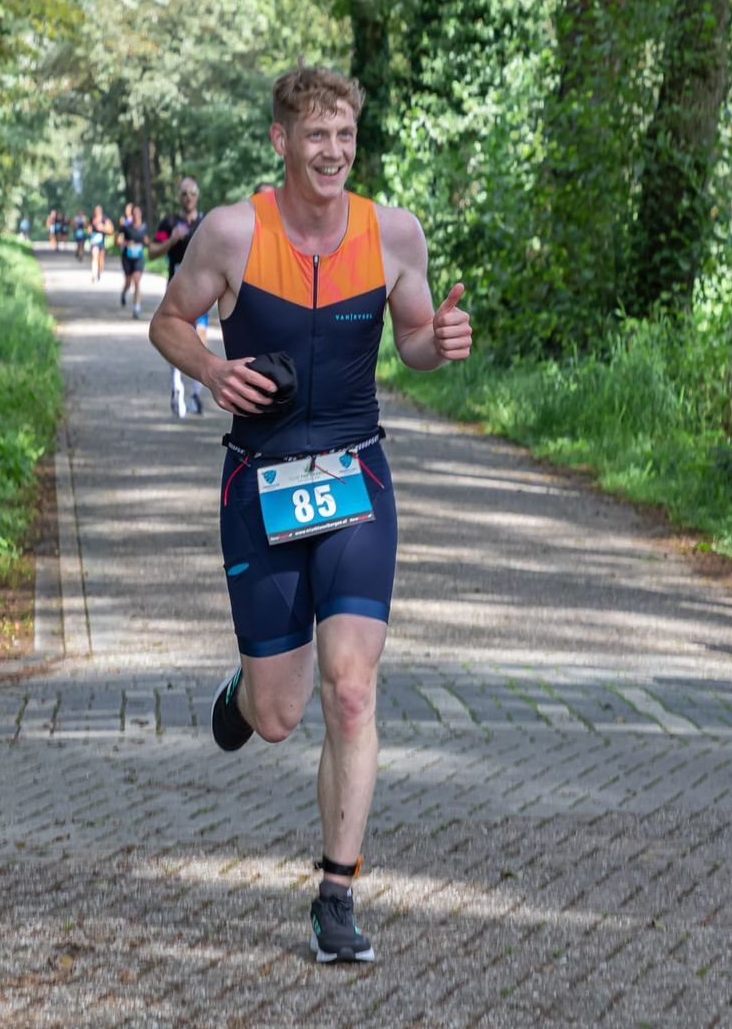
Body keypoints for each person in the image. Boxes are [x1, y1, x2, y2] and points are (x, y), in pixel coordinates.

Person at [149, 65, 472, 963]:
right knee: (283, 711)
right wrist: (212, 370)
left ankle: (337, 890)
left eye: (345, 136)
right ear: (281, 142)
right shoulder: (230, 231)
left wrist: (438, 345)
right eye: (315, 135)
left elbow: (411, 341)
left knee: (353, 687)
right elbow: (169, 322)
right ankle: (243, 696)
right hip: (261, 477)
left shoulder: (392, 232)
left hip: (356, 472)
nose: (332, 152)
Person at [156, 179, 209, 416]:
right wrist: (172, 239)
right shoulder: (169, 222)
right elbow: (152, 251)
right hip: (176, 287)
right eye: (184, 193)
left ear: (198, 195)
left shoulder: (206, 222)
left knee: (201, 337)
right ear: (179, 197)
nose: (189, 196)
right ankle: (176, 385)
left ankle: (196, 392)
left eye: (193, 192)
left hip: (203, 288)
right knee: (177, 338)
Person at [118, 203, 150, 317]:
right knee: (128, 283)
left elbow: (147, 240)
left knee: (137, 281)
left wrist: (148, 243)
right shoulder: (126, 227)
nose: (136, 215)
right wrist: (126, 243)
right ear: (132, 215)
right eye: (134, 213)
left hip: (138, 258)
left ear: (140, 214)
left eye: (138, 213)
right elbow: (118, 241)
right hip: (127, 258)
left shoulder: (144, 227)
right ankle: (124, 293)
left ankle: (136, 307)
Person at [88, 204, 109, 281]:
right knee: (94, 256)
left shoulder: (104, 219)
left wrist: (102, 228)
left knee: (101, 258)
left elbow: (109, 229)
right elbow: (89, 228)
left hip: (101, 241)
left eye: (98, 211)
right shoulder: (92, 219)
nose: (97, 212)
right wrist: (90, 232)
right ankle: (93, 274)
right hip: (94, 241)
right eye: (96, 211)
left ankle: (99, 271)